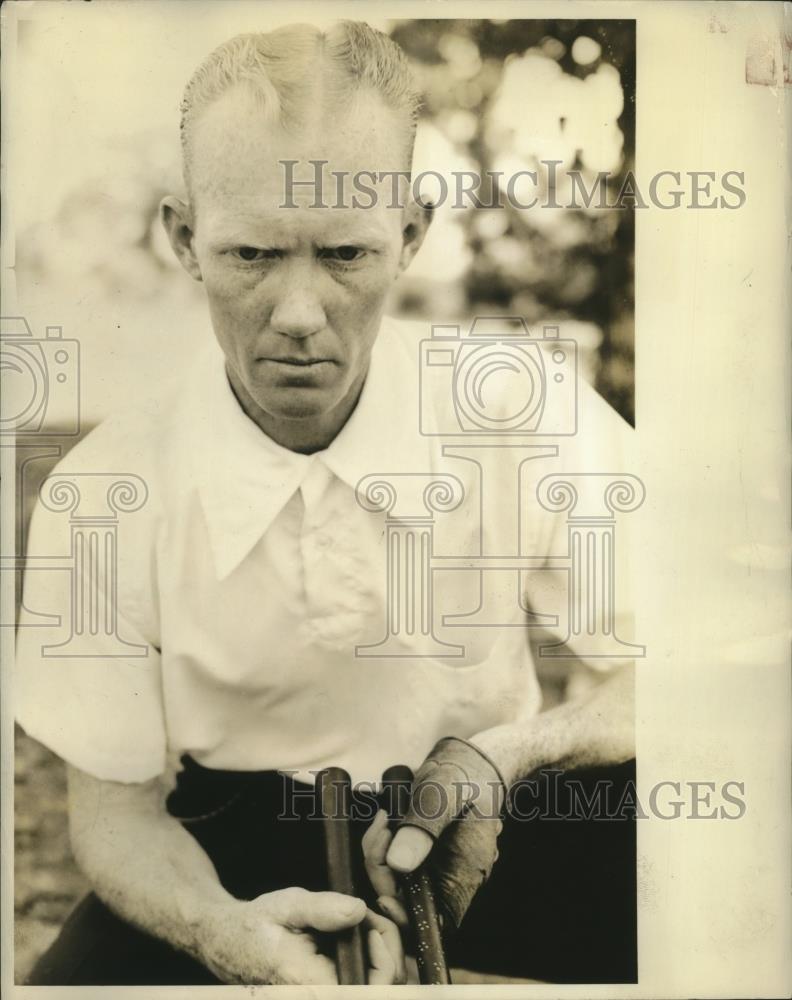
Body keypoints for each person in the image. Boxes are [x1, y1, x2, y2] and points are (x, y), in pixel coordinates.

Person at [16, 21, 638, 985]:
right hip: (222, 859)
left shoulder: (524, 406)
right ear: (186, 238)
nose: (299, 314)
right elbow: (116, 815)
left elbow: (708, 676)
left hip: (490, 815)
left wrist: (507, 756)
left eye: (344, 254)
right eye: (253, 255)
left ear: (411, 234)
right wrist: (225, 938)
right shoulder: (103, 491)